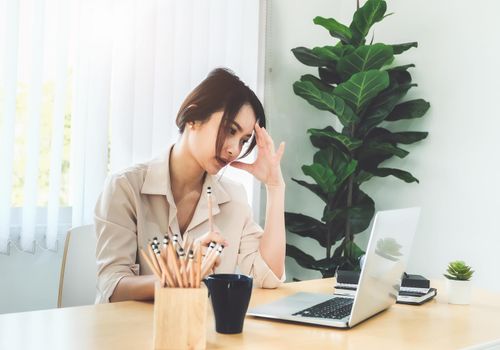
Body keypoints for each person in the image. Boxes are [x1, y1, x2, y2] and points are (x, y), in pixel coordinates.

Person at [95, 68, 286, 303]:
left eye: (244, 141)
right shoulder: (125, 188)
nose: (234, 150)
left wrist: (275, 187)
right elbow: (113, 286)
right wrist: (180, 274)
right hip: (133, 334)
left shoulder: (233, 197)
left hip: (199, 334)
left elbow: (269, 275)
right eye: (230, 130)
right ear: (193, 117)